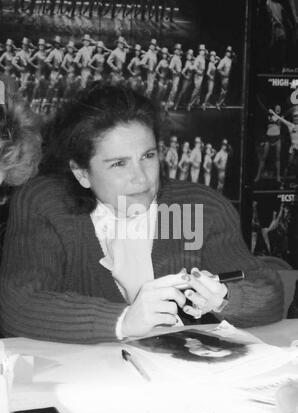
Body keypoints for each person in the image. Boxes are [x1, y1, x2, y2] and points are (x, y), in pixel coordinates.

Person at [0, 85, 283, 344]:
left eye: (148, 156)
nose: (142, 179)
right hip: (82, 385)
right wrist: (124, 321)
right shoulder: (49, 204)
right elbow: (18, 306)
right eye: (119, 163)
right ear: (82, 173)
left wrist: (225, 299)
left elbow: (268, 294)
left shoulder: (190, 210)